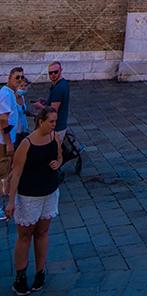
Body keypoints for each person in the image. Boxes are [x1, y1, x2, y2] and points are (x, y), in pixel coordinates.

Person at [5, 106, 62, 295]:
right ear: (41, 121)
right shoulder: (26, 144)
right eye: (51, 121)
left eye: (55, 121)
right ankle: (20, 277)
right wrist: (11, 202)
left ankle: (40, 272)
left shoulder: (55, 138)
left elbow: (59, 156)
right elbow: (17, 172)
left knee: (42, 232)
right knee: (25, 236)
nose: (54, 125)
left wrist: (58, 163)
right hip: (29, 196)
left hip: (50, 192)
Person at [1, 67, 24, 222]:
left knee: (7, 172)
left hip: (9, 139)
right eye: (17, 77)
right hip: (3, 142)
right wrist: (9, 143)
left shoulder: (11, 93)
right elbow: (3, 121)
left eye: (21, 77)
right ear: (9, 77)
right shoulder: (5, 94)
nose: (19, 80)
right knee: (2, 175)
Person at [46, 63, 70, 145]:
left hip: (56, 127)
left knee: (54, 154)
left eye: (55, 72)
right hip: (61, 124)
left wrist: (40, 106)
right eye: (50, 73)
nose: (53, 75)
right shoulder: (64, 83)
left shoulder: (58, 89)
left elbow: (52, 111)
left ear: (61, 70)